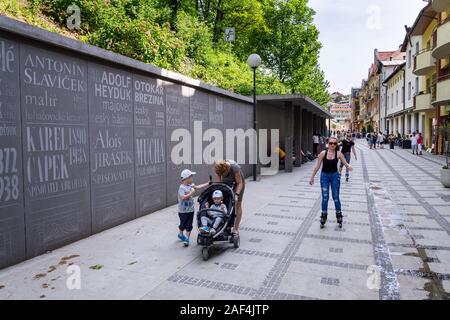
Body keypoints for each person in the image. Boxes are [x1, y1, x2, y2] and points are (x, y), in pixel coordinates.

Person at [309, 137, 353, 229]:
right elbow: (317, 166)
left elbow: (345, 163)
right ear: (327, 144)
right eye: (331, 143)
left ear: (336, 144)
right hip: (324, 177)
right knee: (325, 197)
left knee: (335, 197)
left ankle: (339, 215)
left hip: (334, 177)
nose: (332, 145)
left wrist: (348, 166)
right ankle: (324, 216)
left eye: (334, 143)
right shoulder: (322, 154)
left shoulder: (338, 154)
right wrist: (312, 177)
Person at [177, 169, 209, 246]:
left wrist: (207, 184)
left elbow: (197, 187)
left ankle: (187, 239)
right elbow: (183, 198)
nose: (192, 179)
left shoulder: (190, 185)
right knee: (183, 225)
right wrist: (191, 192)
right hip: (183, 211)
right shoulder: (182, 188)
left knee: (189, 225)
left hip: (191, 210)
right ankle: (181, 234)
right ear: (187, 178)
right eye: (191, 177)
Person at [214, 160, 245, 235]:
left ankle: (236, 228)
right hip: (226, 182)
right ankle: (225, 226)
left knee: (238, 204)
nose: (222, 175)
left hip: (238, 183)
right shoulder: (218, 168)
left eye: (223, 174)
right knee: (225, 202)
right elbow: (219, 183)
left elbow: (239, 183)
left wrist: (237, 194)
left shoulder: (235, 167)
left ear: (227, 170)